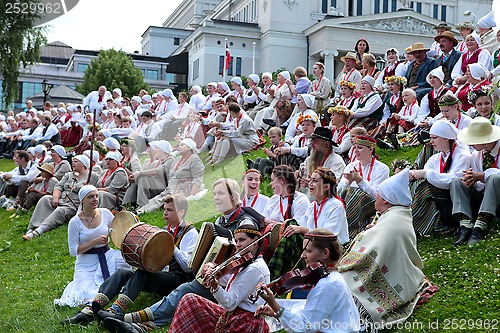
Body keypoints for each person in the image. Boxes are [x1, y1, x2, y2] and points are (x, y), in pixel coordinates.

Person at [62, 194, 197, 325]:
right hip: (163, 273)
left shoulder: (190, 233)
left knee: (142, 274)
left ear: (181, 212)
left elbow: (188, 267)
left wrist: (172, 247)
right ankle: (91, 309)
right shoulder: (165, 230)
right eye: (164, 209)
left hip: (178, 279)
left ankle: (116, 311)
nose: (165, 213)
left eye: (170, 210)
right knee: (123, 272)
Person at [339, 169, 435, 330]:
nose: (375, 195)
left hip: (384, 270)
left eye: (378, 193)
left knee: (343, 282)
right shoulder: (397, 214)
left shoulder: (393, 221)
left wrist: (342, 266)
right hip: (395, 264)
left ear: (386, 200)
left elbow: (371, 251)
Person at [165, 223, 270, 333]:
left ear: (256, 242)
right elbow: (224, 278)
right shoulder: (245, 262)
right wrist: (211, 269)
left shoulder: (255, 268)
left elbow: (230, 303)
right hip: (233, 314)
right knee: (190, 302)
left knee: (190, 301)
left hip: (244, 321)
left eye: (242, 240)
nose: (237, 245)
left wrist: (215, 286)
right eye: (236, 240)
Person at [256, 229, 360, 333]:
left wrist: (274, 305)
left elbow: (305, 327)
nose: (302, 256)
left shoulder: (328, 284)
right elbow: (314, 316)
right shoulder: (333, 278)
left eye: (309, 251)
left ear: (325, 253)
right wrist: (275, 313)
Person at [55, 185, 130, 308]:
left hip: (106, 254)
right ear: (82, 200)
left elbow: (117, 231)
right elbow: (73, 251)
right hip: (86, 261)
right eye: (90, 197)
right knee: (86, 290)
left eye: (96, 196)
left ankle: (118, 286)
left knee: (121, 260)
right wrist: (93, 242)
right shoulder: (75, 222)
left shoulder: (105, 213)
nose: (95, 199)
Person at [409, 120, 472, 236]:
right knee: (417, 183)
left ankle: (419, 224)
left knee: (423, 186)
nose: (431, 141)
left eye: (435, 138)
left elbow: (453, 180)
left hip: (456, 200)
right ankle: (417, 223)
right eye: (431, 137)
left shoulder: (463, 156)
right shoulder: (436, 158)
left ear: (446, 138)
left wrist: (426, 174)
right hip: (441, 198)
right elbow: (426, 171)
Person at [23, 155, 99, 240]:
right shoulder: (69, 175)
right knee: (45, 199)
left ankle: (38, 231)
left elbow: (95, 191)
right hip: (61, 199)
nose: (73, 163)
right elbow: (58, 187)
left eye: (76, 161)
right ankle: (32, 227)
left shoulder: (92, 176)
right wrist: (56, 198)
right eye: (72, 161)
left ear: (83, 164)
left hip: (74, 204)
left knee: (60, 210)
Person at [451, 117, 500, 245]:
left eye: (473, 141)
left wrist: (482, 176)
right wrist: (471, 179)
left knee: (495, 178)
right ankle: (465, 223)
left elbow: (491, 177)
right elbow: (478, 182)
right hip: (483, 195)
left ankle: (480, 226)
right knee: (457, 181)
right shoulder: (477, 154)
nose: (470, 144)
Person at [338, 135, 389, 238]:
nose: (356, 151)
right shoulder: (351, 166)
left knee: (356, 194)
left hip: (370, 204)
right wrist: (348, 182)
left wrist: (360, 180)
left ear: (370, 149)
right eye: (354, 148)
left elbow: (377, 195)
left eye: (360, 148)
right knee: (346, 192)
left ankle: (349, 233)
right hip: (349, 201)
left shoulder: (382, 169)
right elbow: (338, 190)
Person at [137, 139, 204, 214]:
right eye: (179, 145)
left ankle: (141, 212)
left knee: (161, 200)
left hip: (183, 189)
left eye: (182, 145)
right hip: (171, 188)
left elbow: (197, 178)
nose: (179, 147)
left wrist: (192, 196)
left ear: (190, 147)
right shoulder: (177, 159)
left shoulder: (195, 159)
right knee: (156, 199)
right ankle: (139, 211)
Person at [286, 168, 349, 245]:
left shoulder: (336, 206)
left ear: (326, 187)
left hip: (332, 248)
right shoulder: (312, 206)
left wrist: (304, 230)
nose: (310, 184)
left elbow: (329, 235)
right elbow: (303, 227)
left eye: (314, 181)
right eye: (310, 180)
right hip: (314, 244)